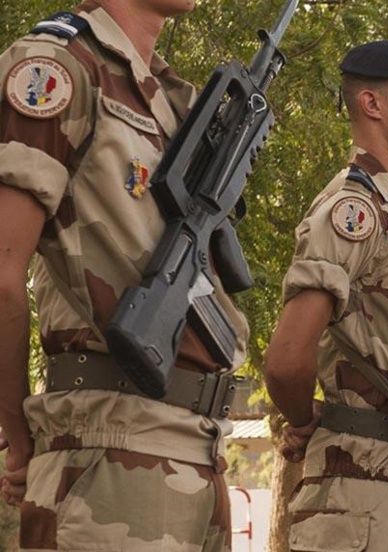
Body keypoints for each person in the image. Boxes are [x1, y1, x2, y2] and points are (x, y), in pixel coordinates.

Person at [0, 1, 249, 549]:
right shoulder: (60, 65)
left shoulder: (170, 96)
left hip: (198, 449)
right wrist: (19, 437)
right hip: (107, 451)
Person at [263, 40, 388, 551]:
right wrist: (303, 420)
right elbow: (286, 359)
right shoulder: (355, 208)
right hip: (358, 484)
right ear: (372, 104)